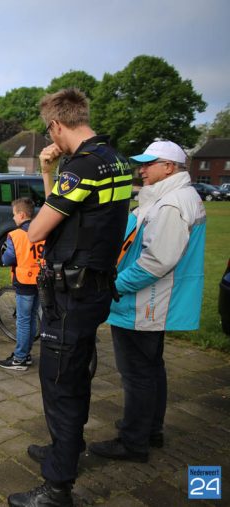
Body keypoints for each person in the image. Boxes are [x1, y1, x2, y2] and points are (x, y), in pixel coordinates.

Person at [8, 88, 132, 507]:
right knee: (76, 373)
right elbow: (70, 213)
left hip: (72, 294)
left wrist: (55, 171)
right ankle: (68, 446)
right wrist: (51, 172)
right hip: (95, 286)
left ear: (57, 125)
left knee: (60, 381)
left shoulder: (82, 167)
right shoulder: (115, 160)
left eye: (51, 134)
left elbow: (40, 229)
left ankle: (58, 485)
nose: (51, 141)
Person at [88, 141, 205, 463]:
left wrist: (117, 286)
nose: (142, 169)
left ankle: (133, 440)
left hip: (145, 302)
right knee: (152, 368)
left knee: (137, 372)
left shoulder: (171, 204)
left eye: (149, 163)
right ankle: (149, 428)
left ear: (170, 167)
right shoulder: (172, 198)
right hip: (152, 301)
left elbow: (157, 260)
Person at [0, 197, 44, 371]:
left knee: (23, 321)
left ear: (22, 214)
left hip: (24, 281)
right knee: (32, 317)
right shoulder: (42, 231)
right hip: (40, 280)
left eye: (14, 215)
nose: (13, 218)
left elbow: (8, 258)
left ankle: (20, 359)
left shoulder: (15, 235)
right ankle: (26, 354)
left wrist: (4, 257)